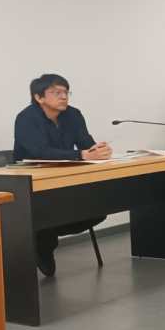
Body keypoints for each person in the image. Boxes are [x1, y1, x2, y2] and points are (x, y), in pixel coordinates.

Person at [13, 73, 112, 276]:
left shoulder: (73, 114)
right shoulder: (26, 118)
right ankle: (44, 241)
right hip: (32, 180)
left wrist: (98, 150)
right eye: (56, 92)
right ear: (39, 97)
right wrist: (81, 154)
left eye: (66, 92)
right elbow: (39, 152)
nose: (64, 96)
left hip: (64, 176)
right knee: (52, 211)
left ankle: (43, 235)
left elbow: (86, 144)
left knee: (97, 210)